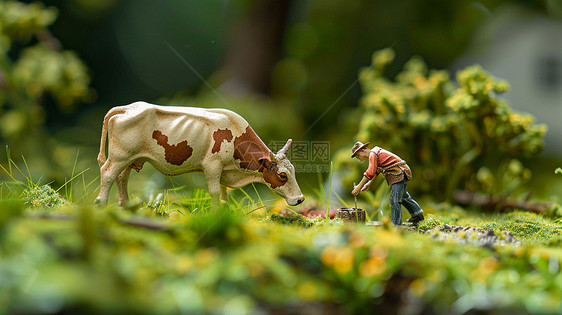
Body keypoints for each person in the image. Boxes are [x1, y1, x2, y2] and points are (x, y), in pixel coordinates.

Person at [351, 141, 424, 225]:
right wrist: (368, 184)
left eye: (358, 156)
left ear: (362, 150)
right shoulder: (375, 154)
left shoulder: (373, 154)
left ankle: (396, 224)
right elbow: (376, 171)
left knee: (395, 200)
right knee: (403, 197)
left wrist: (358, 187)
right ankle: (417, 214)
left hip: (398, 173)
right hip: (398, 173)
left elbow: (370, 172)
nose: (359, 160)